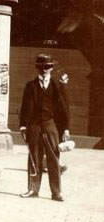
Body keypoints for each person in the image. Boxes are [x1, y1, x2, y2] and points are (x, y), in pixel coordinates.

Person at [19, 53, 70, 202]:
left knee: (54, 159)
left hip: (50, 126)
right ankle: (32, 189)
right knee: (34, 158)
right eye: (41, 67)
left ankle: (56, 192)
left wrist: (65, 129)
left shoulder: (57, 87)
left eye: (47, 67)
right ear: (37, 68)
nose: (44, 70)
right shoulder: (30, 86)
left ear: (52, 68)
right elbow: (24, 108)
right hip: (34, 126)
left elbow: (63, 109)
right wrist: (23, 127)